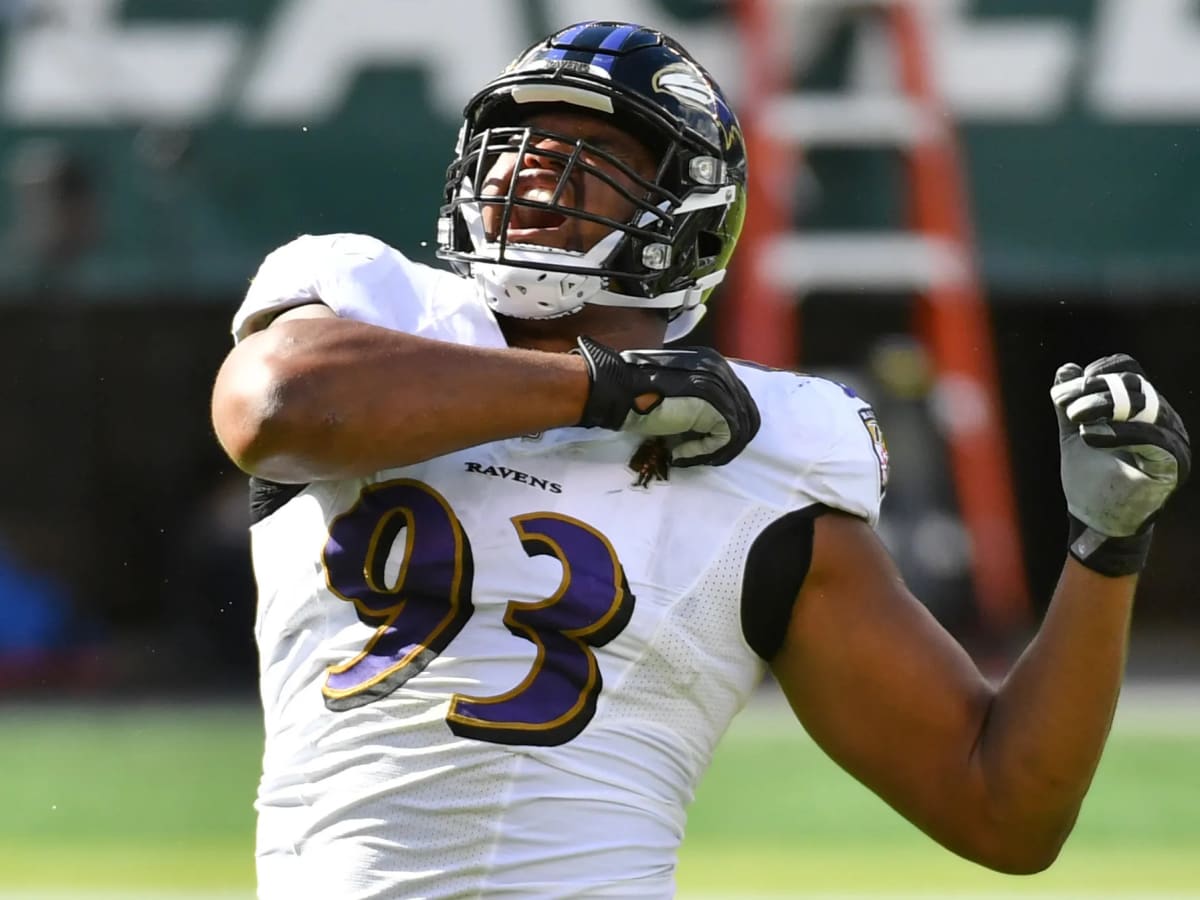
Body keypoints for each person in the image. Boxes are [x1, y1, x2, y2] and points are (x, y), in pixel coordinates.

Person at [210, 20, 1190, 899]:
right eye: (517, 140)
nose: (533, 167)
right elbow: (276, 408)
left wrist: (1104, 551)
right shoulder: (371, 305)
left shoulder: (766, 460)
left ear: (685, 211)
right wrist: (610, 391)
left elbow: (1002, 810)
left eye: (593, 149)